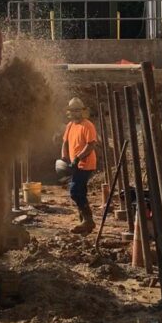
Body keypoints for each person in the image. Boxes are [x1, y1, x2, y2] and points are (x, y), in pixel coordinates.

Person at [60, 97, 97, 235]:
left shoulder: (87, 125)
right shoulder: (70, 125)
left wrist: (78, 157)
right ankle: (85, 223)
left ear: (82, 111)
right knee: (80, 192)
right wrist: (64, 156)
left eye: (78, 110)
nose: (75, 113)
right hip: (75, 164)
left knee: (75, 191)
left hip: (86, 164)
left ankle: (88, 220)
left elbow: (91, 145)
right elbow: (64, 142)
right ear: (69, 112)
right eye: (73, 111)